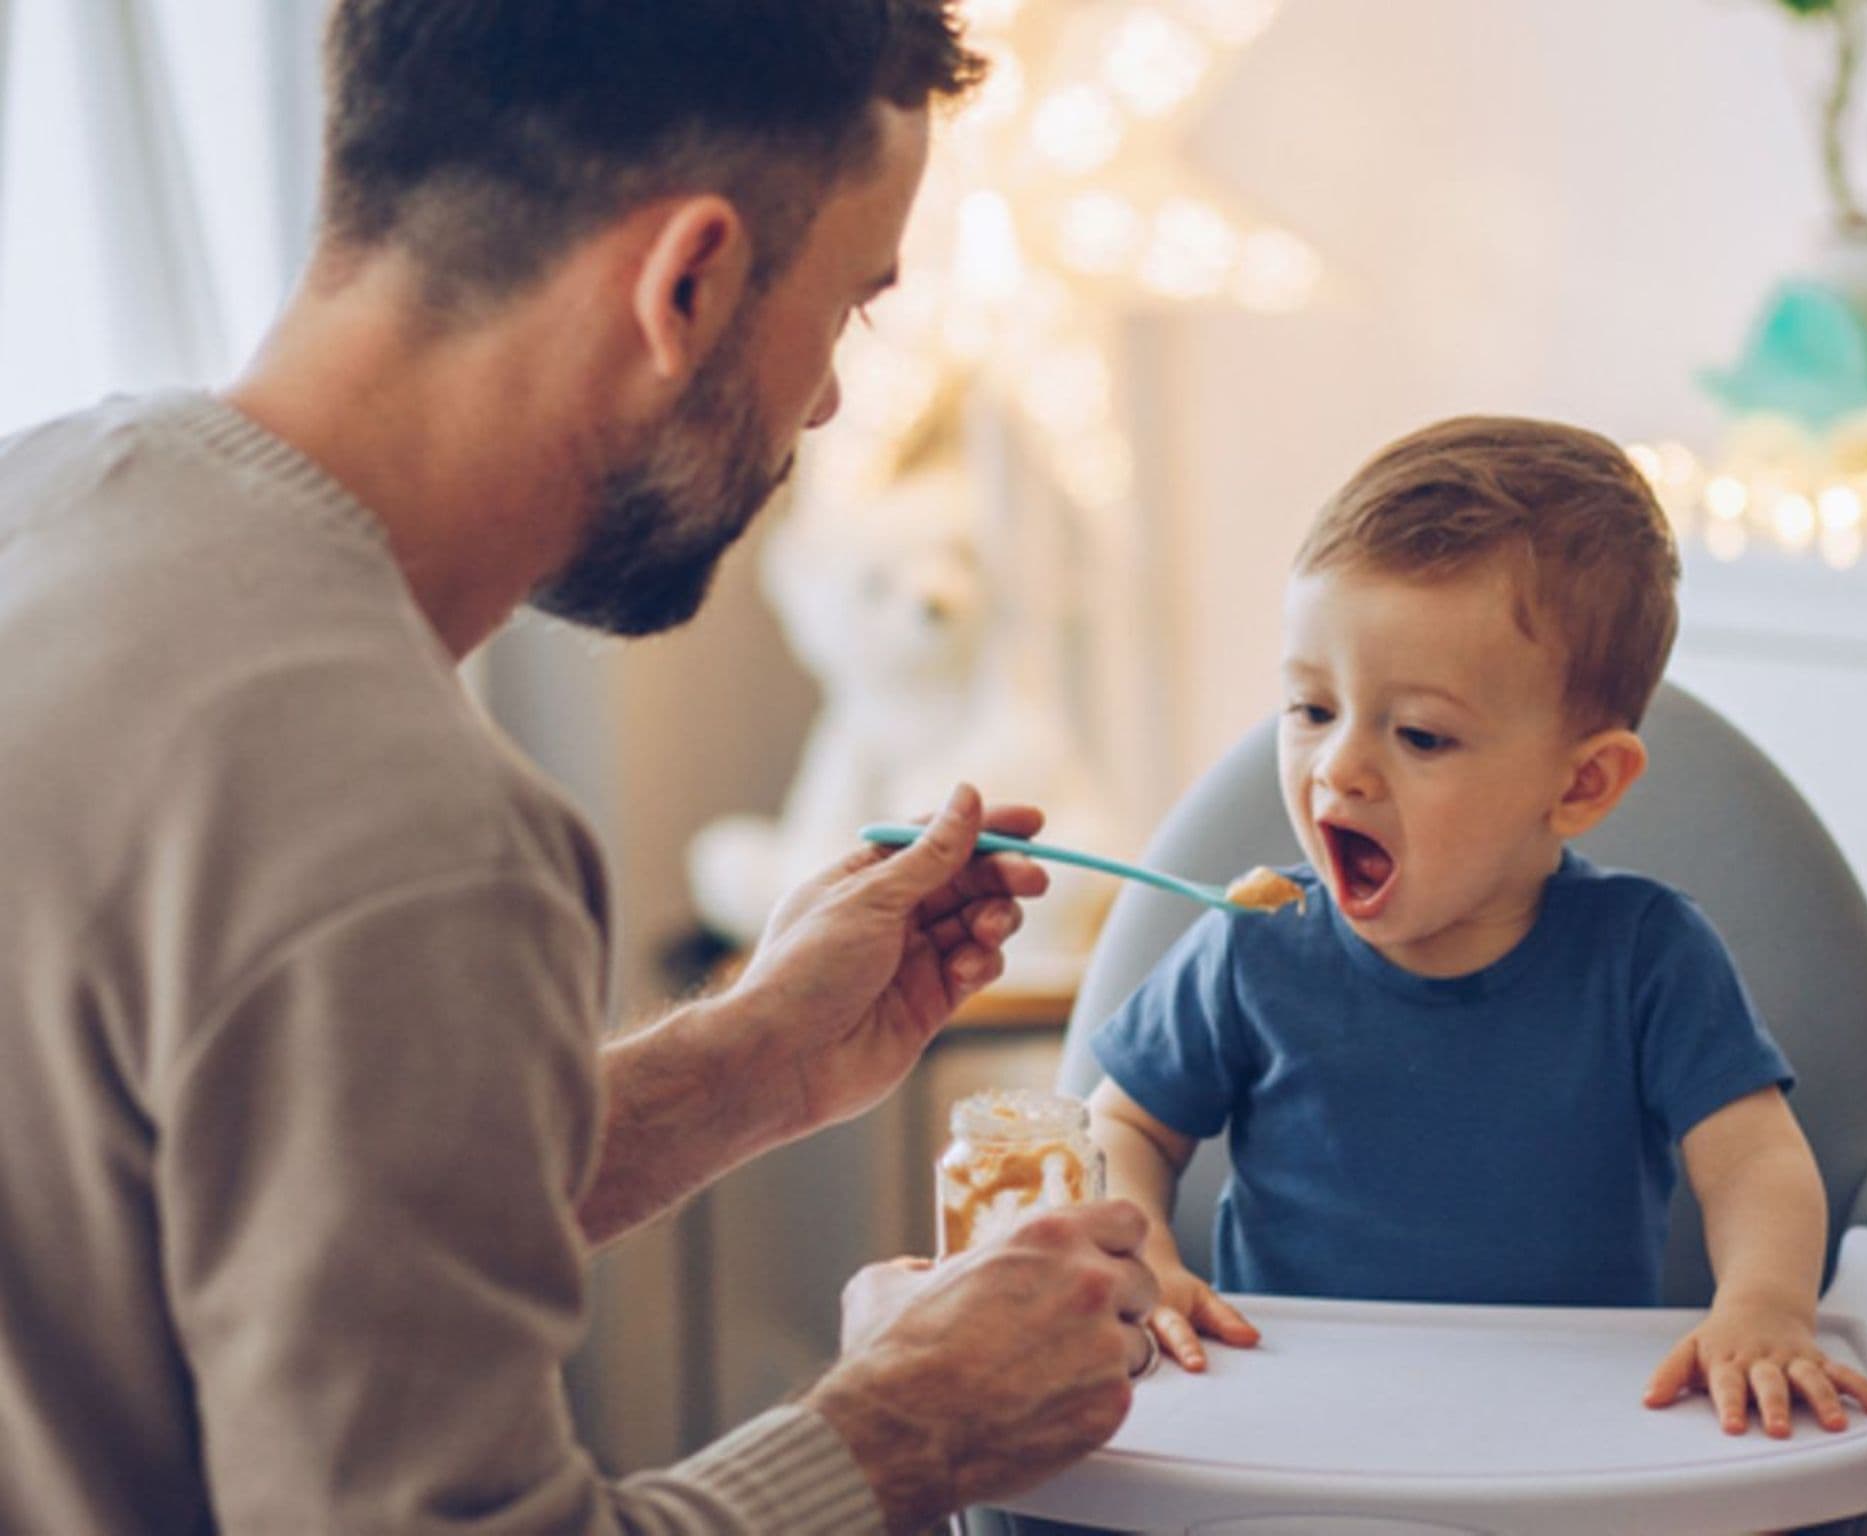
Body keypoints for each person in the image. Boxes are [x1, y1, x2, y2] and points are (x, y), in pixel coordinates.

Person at [0, 3, 1161, 1533]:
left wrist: (750, 1066)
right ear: (690, 282)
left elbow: (247, 1204)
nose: (822, 402)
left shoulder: (56, 500)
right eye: (851, 308)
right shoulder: (407, 831)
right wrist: (905, 1431)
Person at [1086, 416, 1867, 1440]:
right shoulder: (1254, 947)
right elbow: (1119, 1126)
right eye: (1309, 708)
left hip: (1561, 1440)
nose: (1337, 768)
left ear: (1580, 782)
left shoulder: (1645, 960)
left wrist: (1763, 1311)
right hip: (1288, 1434)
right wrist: (1144, 1251)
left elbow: (1753, 1164)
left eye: (1418, 733)